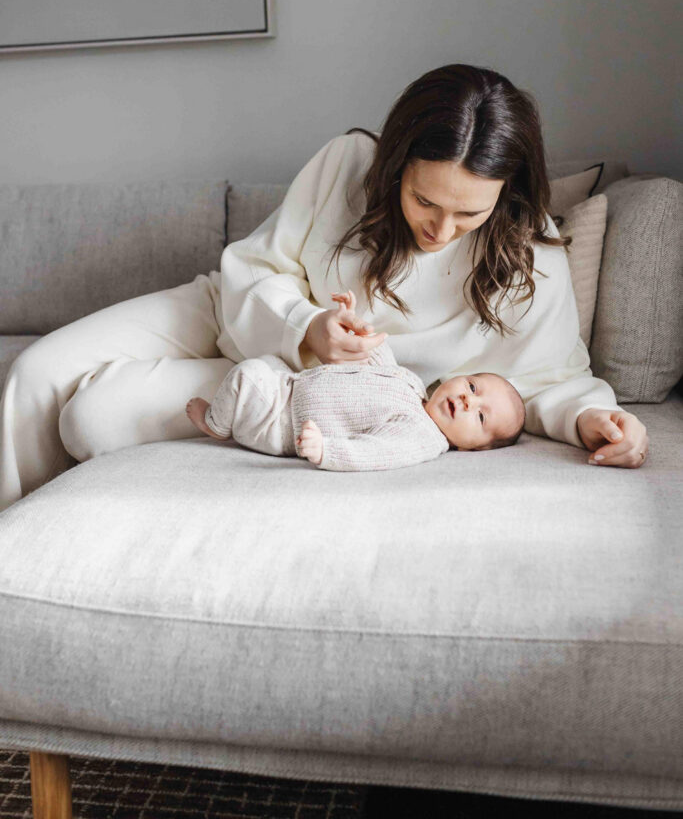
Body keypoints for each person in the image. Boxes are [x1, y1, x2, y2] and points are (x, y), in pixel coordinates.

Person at [0, 64, 648, 513]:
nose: (439, 229)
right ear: (396, 164)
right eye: (425, 200)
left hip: (299, 388)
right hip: (235, 310)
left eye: (467, 214)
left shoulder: (527, 252)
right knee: (33, 371)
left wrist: (592, 419)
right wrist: (304, 327)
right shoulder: (348, 164)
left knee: (91, 418)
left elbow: (545, 376)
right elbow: (257, 266)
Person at [185, 290, 526, 470]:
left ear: (472, 449)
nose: (468, 401)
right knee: (263, 364)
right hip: (290, 386)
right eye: (472, 386)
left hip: (281, 426)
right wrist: (354, 324)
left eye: (480, 416)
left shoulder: (421, 438)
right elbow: (373, 356)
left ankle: (218, 424)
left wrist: (327, 451)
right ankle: (228, 412)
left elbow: (375, 453)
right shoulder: (413, 385)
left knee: (248, 376)